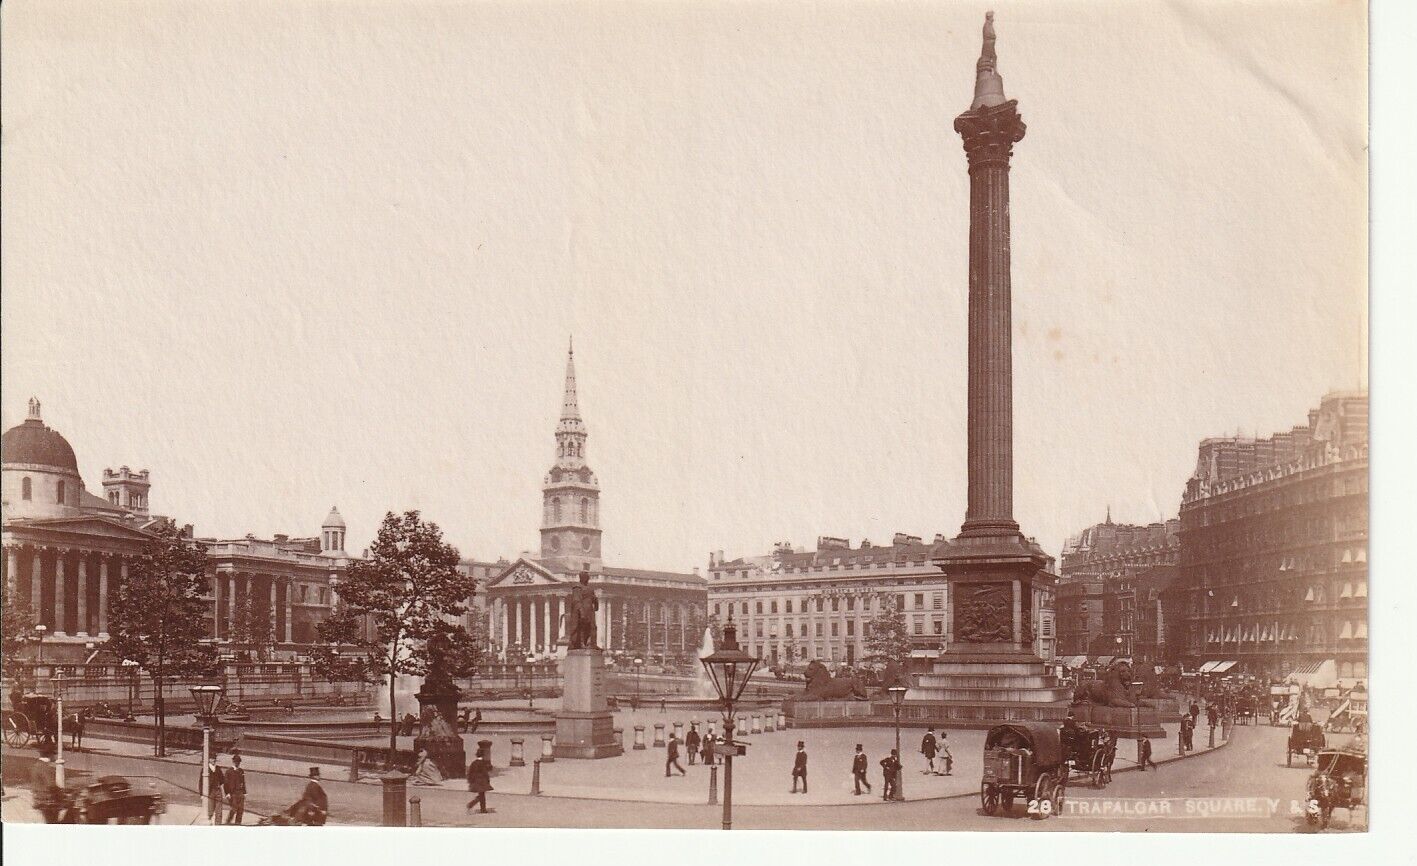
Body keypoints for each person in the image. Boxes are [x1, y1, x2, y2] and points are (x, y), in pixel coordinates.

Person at [30, 743, 62, 824]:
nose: (54, 756)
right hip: (47, 802)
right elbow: (51, 785)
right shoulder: (45, 767)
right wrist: (61, 793)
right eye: (53, 754)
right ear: (49, 755)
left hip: (39, 798)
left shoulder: (36, 765)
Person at [466, 746, 493, 814]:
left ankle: (479, 808)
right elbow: (485, 772)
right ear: (483, 755)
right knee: (482, 795)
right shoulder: (483, 763)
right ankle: (478, 807)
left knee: (481, 795)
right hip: (482, 781)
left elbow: (470, 772)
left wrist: (470, 781)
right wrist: (487, 780)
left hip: (475, 781)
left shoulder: (474, 763)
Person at [201, 755, 226, 824]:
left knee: (219, 811)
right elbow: (201, 782)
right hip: (210, 792)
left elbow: (222, 779)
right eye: (212, 758)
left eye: (214, 758)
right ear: (209, 759)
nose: (213, 760)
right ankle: (209, 824)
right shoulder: (205, 769)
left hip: (218, 791)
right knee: (210, 810)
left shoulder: (218, 768)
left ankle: (218, 826)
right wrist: (202, 794)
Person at [225, 755, 247, 825]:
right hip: (233, 793)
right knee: (234, 809)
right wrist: (227, 793)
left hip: (240, 793)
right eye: (236, 762)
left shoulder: (241, 771)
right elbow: (226, 783)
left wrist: (244, 792)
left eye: (238, 762)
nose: (237, 763)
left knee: (240, 810)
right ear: (233, 762)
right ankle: (228, 822)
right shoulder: (229, 771)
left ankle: (238, 824)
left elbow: (243, 782)